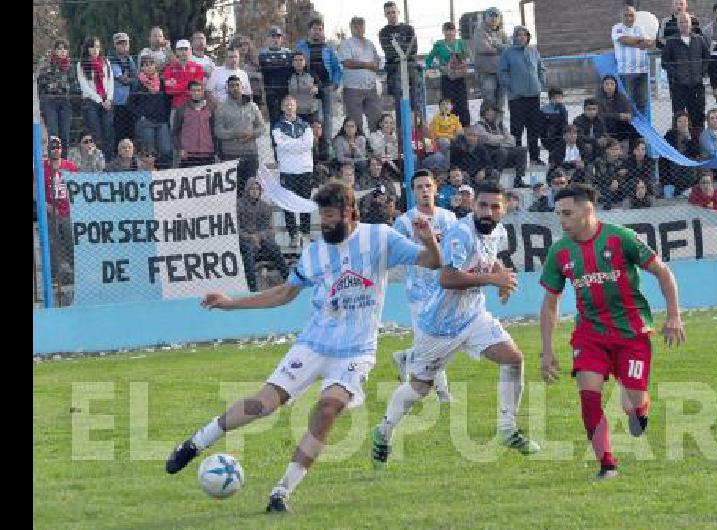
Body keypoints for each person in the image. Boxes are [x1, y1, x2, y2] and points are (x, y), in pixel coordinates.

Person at [165, 181, 443, 514]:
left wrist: (429, 240)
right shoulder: (315, 252)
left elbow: (431, 261)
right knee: (262, 405)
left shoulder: (379, 238)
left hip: (356, 352)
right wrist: (232, 304)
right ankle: (196, 443)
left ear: (349, 212)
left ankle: (281, 492)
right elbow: (284, 293)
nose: (323, 224)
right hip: (312, 345)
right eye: (320, 217)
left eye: (329, 216)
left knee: (328, 409)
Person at [372, 181, 540, 469]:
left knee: (513, 358)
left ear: (504, 209)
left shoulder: (496, 231)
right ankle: (384, 431)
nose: (488, 211)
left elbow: (490, 259)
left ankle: (506, 429)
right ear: (473, 207)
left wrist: (500, 276)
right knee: (420, 388)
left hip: (474, 316)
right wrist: (491, 280)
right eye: (483, 206)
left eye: (495, 206)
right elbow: (447, 278)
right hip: (439, 326)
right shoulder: (461, 234)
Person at [539, 183, 685, 480]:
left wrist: (673, 316)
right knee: (589, 396)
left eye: (567, 213)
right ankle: (607, 465)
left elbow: (663, 272)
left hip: (631, 333)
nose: (562, 220)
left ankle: (638, 409)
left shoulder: (620, 238)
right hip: (589, 335)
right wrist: (547, 349)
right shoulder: (559, 252)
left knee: (632, 396)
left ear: (587, 210)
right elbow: (550, 303)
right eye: (558, 214)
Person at [390, 169, 458, 403]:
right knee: (433, 342)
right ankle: (443, 394)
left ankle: (406, 358)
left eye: (428, 186)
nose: (425, 191)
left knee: (445, 341)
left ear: (436, 189)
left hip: (443, 287)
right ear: (413, 192)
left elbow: (457, 249)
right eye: (419, 188)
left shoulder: (449, 218)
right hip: (418, 291)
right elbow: (396, 251)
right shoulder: (404, 222)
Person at [498, 25, 546, 166]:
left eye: (524, 35)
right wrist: (512, 86)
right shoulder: (508, 53)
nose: (521, 37)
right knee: (517, 129)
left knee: (533, 128)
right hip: (517, 97)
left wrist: (540, 83)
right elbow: (502, 72)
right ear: (514, 37)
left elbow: (541, 68)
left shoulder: (533, 51)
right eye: (518, 35)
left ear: (528, 37)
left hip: (533, 96)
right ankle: (517, 160)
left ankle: (534, 158)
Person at [272, 95, 314, 248]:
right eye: (286, 105)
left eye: (292, 104)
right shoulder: (277, 126)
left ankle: (305, 233)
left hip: (305, 169)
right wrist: (298, 144)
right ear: (283, 108)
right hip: (287, 170)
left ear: (296, 106)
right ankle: (293, 235)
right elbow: (280, 144)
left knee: (304, 202)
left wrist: (291, 144)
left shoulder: (305, 125)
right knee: (288, 204)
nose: (289, 107)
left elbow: (308, 144)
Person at [215, 75, 267, 197]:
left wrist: (252, 134)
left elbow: (262, 127)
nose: (235, 88)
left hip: (250, 154)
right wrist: (234, 133)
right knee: (234, 193)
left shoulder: (252, 106)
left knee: (251, 191)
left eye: (237, 85)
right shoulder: (221, 108)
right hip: (230, 155)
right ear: (227, 88)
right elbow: (218, 131)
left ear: (242, 87)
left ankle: (249, 215)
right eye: (231, 86)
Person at [661, 13, 711, 136]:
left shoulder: (699, 39)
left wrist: (702, 72)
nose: (684, 24)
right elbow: (665, 62)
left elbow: (707, 58)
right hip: (679, 86)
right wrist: (676, 74)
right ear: (678, 25)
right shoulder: (671, 41)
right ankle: (679, 146)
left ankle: (697, 146)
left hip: (697, 85)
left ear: (691, 23)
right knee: (679, 116)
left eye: (686, 21)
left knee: (698, 116)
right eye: (681, 22)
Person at [36, 136, 78, 281]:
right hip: (49, 212)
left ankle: (76, 272)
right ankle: (55, 276)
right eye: (53, 147)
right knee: (52, 245)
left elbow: (78, 187)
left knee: (71, 242)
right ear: (48, 149)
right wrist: (45, 204)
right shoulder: (40, 168)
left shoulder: (70, 166)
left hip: (68, 211)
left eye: (58, 146)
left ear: (62, 148)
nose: (56, 149)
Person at [295, 18, 342, 145]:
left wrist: (335, 84)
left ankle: (326, 147)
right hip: (308, 87)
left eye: (320, 29)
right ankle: (312, 147)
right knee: (314, 118)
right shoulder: (301, 46)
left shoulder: (328, 48)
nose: (317, 32)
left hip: (326, 86)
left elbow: (337, 68)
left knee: (327, 119)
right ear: (309, 31)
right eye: (314, 29)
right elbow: (295, 64)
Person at [238, 177, 290, 292]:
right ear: (247, 190)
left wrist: (259, 236)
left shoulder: (265, 206)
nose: (255, 191)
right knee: (248, 251)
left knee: (274, 247)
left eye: (257, 189)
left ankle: (288, 278)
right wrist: (249, 237)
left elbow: (271, 229)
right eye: (252, 189)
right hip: (246, 240)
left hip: (262, 238)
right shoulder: (239, 205)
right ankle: (252, 287)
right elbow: (236, 228)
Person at [379, 1, 421, 140]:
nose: (391, 15)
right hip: (395, 68)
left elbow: (413, 48)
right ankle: (402, 133)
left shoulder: (408, 29)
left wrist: (403, 54)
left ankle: (418, 132)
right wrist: (402, 53)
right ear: (385, 15)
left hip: (410, 66)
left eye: (393, 11)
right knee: (400, 102)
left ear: (398, 12)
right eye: (388, 13)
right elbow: (389, 51)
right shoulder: (383, 32)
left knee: (415, 100)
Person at [339, 16, 382, 134]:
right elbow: (347, 62)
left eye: (361, 26)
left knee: (376, 119)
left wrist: (376, 64)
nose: (358, 29)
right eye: (355, 26)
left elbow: (377, 61)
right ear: (351, 28)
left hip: (371, 88)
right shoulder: (346, 43)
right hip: (353, 89)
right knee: (355, 122)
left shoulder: (370, 43)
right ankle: (359, 148)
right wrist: (367, 65)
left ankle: (375, 146)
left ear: (364, 27)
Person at [129, 53, 172, 169]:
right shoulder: (137, 83)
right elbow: (131, 103)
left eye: (151, 64)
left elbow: (168, 101)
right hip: (145, 122)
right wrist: (140, 117)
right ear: (141, 68)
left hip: (161, 121)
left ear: (155, 66)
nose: (149, 67)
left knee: (166, 149)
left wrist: (166, 116)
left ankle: (164, 174)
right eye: (145, 65)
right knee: (149, 152)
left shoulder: (162, 82)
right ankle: (150, 175)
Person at [76, 36, 115, 160]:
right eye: (92, 46)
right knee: (95, 133)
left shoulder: (106, 62)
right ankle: (97, 161)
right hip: (91, 101)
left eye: (97, 46)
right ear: (87, 48)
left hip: (106, 101)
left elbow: (110, 81)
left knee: (108, 133)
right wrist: (99, 100)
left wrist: (108, 98)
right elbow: (84, 86)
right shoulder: (81, 64)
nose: (95, 49)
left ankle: (108, 161)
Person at [426, 22, 470, 128]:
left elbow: (468, 57)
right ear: (443, 32)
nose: (450, 33)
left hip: (459, 77)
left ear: (455, 32)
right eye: (447, 30)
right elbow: (429, 58)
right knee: (449, 104)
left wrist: (463, 63)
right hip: (447, 78)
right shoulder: (439, 44)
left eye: (452, 30)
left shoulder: (460, 43)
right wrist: (435, 66)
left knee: (462, 104)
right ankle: (449, 127)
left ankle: (465, 128)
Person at [612, 5, 655, 115]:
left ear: (635, 16)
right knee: (627, 102)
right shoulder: (617, 28)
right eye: (626, 15)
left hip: (642, 71)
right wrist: (640, 40)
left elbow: (649, 43)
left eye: (631, 15)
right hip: (626, 71)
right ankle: (628, 128)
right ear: (621, 16)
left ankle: (640, 127)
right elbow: (624, 40)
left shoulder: (640, 28)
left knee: (642, 101)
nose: (629, 18)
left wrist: (636, 41)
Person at [474, 102, 528, 187]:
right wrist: (502, 138)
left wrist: (499, 140)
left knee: (522, 150)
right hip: (489, 155)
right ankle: (494, 180)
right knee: (502, 151)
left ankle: (518, 180)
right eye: (487, 110)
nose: (490, 112)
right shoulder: (479, 125)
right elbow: (486, 139)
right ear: (483, 112)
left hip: (503, 151)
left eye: (492, 110)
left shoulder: (500, 125)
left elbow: (512, 140)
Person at [38, 38, 77, 151]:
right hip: (50, 102)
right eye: (60, 48)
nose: (63, 51)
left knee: (65, 135)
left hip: (65, 102)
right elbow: (43, 85)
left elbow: (74, 86)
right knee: (53, 134)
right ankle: (52, 161)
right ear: (54, 51)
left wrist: (58, 86)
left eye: (65, 48)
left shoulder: (70, 67)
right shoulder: (46, 65)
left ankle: (64, 162)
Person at [471, 6, 509, 112]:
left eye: (496, 16)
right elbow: (484, 48)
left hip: (501, 71)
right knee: (489, 99)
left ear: (499, 19)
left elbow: (509, 46)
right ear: (485, 18)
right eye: (491, 16)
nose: (494, 19)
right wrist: (500, 48)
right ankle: (487, 125)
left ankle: (499, 125)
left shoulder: (501, 32)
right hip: (486, 72)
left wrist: (495, 44)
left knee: (500, 101)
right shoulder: (479, 31)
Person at [173, 79, 216, 168]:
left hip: (207, 154)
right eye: (193, 90)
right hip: (188, 155)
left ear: (203, 91)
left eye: (199, 90)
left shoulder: (211, 108)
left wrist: (216, 150)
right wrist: (179, 149)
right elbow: (175, 132)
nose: (196, 93)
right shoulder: (182, 109)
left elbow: (214, 130)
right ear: (189, 92)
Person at [163, 39, 206, 125]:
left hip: (193, 108)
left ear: (190, 51)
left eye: (186, 49)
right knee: (175, 135)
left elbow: (196, 89)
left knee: (192, 135)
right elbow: (169, 91)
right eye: (181, 49)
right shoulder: (169, 69)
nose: (183, 52)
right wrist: (188, 84)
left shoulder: (199, 68)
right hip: (176, 108)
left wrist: (177, 85)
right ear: (176, 52)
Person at [258, 26, 294, 128]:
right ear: (268, 39)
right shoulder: (263, 54)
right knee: (274, 120)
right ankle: (275, 143)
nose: (275, 40)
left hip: (286, 91)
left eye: (278, 37)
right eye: (273, 37)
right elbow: (261, 72)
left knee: (287, 119)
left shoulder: (288, 53)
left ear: (281, 39)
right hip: (271, 92)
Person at [108, 32, 138, 148]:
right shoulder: (112, 60)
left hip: (130, 102)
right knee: (119, 135)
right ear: (115, 45)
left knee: (130, 134)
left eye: (125, 43)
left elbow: (134, 77)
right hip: (118, 104)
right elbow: (123, 80)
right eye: (120, 43)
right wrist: (132, 79)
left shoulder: (130, 59)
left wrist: (131, 78)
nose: (123, 46)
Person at [661, 110, 701, 194]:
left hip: (688, 163)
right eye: (680, 121)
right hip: (674, 163)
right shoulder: (670, 134)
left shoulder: (694, 134)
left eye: (685, 121)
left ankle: (686, 189)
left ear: (688, 122)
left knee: (690, 165)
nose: (683, 124)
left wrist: (689, 138)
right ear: (675, 123)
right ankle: (679, 190)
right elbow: (666, 153)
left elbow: (695, 152)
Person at [598, 75, 639, 145]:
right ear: (602, 86)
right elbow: (600, 115)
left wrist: (627, 115)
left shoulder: (621, 97)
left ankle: (632, 151)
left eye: (612, 84)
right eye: (607, 84)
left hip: (621, 127)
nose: (609, 87)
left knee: (634, 130)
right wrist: (618, 115)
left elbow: (630, 113)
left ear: (616, 86)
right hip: (606, 127)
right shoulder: (598, 98)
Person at [593, 138, 628, 209]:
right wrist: (616, 178)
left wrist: (617, 179)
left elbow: (625, 176)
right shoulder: (599, 161)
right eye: (613, 149)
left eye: (617, 149)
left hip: (616, 187)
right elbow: (603, 177)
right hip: (601, 187)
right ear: (607, 150)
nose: (616, 152)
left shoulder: (622, 161)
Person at [287, 51, 320, 124]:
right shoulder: (288, 75)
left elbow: (320, 88)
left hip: (310, 112)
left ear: (305, 62)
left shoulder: (312, 74)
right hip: (294, 112)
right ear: (292, 63)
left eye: (301, 60)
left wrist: (316, 88)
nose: (298, 62)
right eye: (296, 60)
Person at [573, 98, 608, 164]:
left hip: (598, 144)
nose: (591, 112)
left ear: (597, 110)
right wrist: (596, 141)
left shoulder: (600, 120)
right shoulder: (578, 120)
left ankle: (605, 164)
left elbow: (604, 132)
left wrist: (604, 138)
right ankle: (587, 165)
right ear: (584, 110)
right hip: (583, 144)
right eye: (589, 109)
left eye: (594, 109)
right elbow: (580, 136)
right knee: (588, 146)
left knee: (611, 144)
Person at [234, 35, 264, 107]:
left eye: (246, 44)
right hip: (237, 94)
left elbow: (262, 75)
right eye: (241, 45)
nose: (243, 47)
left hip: (254, 93)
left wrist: (247, 74)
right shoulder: (233, 60)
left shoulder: (255, 60)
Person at [540, 87, 568, 155]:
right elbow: (541, 124)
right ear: (550, 98)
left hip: (559, 134)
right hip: (548, 134)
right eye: (555, 98)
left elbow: (564, 122)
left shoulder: (562, 108)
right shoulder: (544, 109)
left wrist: (561, 109)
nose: (557, 100)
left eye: (559, 97)